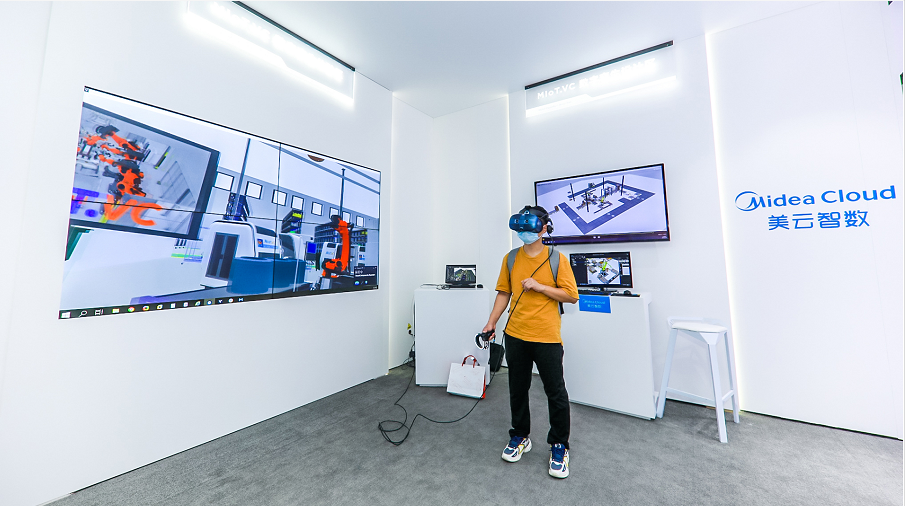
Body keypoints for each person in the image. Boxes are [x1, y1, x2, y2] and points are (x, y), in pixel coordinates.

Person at [482, 205, 579, 479]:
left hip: (547, 336)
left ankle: (559, 444)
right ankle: (520, 436)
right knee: (517, 388)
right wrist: (491, 322)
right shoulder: (511, 258)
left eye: (530, 227)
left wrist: (541, 287)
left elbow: (571, 296)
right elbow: (504, 292)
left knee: (555, 392)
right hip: (516, 334)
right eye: (521, 228)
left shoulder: (557, 259)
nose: (524, 232)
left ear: (544, 228)